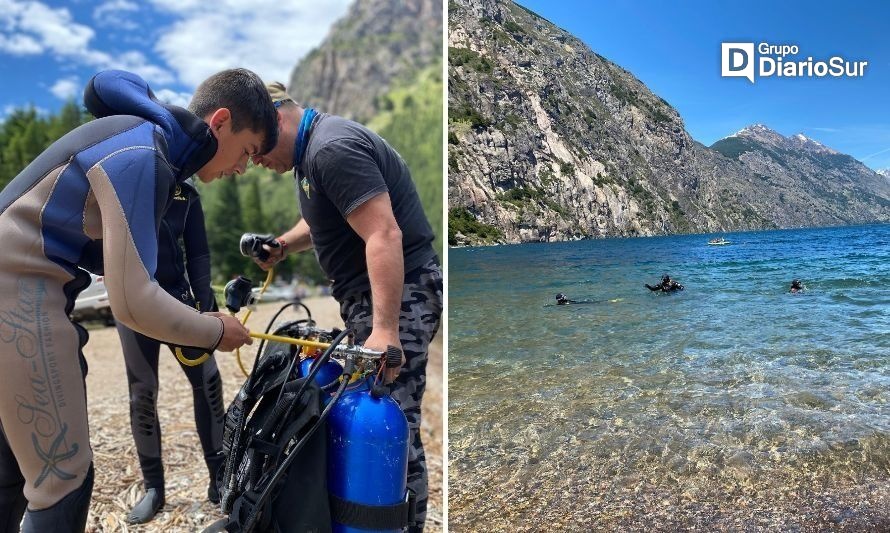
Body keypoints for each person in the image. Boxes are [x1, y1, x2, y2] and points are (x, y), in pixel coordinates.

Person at [0, 68, 275, 532]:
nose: (241, 169)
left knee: (11, 473)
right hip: (21, 293)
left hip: (20, 289)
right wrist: (215, 331)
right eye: (247, 152)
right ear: (222, 121)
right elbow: (132, 302)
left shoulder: (144, 143)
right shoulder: (143, 152)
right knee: (60, 481)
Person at [249, 83, 442, 532]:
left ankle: (403, 524)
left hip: (399, 294)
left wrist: (385, 330)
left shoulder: (330, 149)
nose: (257, 161)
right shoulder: (313, 158)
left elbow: (383, 235)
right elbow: (322, 221)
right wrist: (280, 246)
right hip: (377, 298)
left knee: (392, 419)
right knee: (373, 415)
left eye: (256, 148)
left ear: (276, 116)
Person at [112, 179, 225, 524]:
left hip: (177, 298)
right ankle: (154, 488)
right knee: (142, 394)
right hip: (134, 303)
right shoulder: (123, 181)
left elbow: (199, 249)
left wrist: (204, 299)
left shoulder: (185, 191)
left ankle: (218, 475)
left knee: (208, 382)